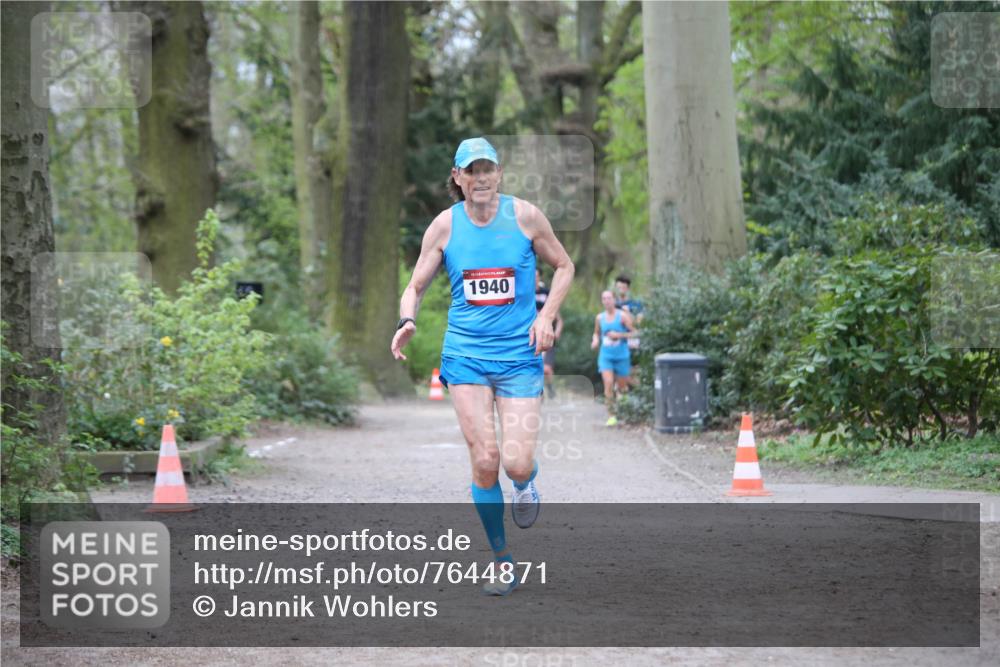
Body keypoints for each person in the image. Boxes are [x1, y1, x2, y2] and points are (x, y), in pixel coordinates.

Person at [391, 137, 574, 596]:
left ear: (500, 172)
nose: (481, 178)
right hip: (466, 355)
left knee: (514, 462)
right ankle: (502, 560)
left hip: (518, 357)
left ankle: (526, 483)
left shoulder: (526, 217)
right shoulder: (444, 227)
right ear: (457, 177)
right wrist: (407, 319)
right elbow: (414, 286)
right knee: (486, 460)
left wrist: (547, 314)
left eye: (487, 168)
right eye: (471, 170)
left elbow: (565, 266)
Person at [591, 290, 636, 426]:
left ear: (614, 300)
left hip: (622, 356)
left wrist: (619, 335)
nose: (607, 301)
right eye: (604, 298)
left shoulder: (622, 316)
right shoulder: (599, 318)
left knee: (622, 388)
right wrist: (595, 341)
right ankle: (611, 415)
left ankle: (624, 411)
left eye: (609, 298)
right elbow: (596, 333)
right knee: (609, 383)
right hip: (606, 356)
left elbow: (635, 333)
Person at [534, 268, 564, 398]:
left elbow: (559, 319)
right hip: (530, 337)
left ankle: (550, 387)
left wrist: (557, 331)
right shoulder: (524, 294)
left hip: (546, 335)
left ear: (539, 277)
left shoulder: (546, 294)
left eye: (536, 275)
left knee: (546, 369)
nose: (533, 278)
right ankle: (538, 392)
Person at [614, 275, 643, 386]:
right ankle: (620, 395)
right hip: (617, 341)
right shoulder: (612, 304)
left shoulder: (636, 305)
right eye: (618, 287)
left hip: (632, 340)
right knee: (618, 370)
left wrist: (628, 313)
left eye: (623, 287)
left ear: (628, 289)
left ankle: (636, 394)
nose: (621, 290)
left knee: (633, 370)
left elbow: (638, 324)